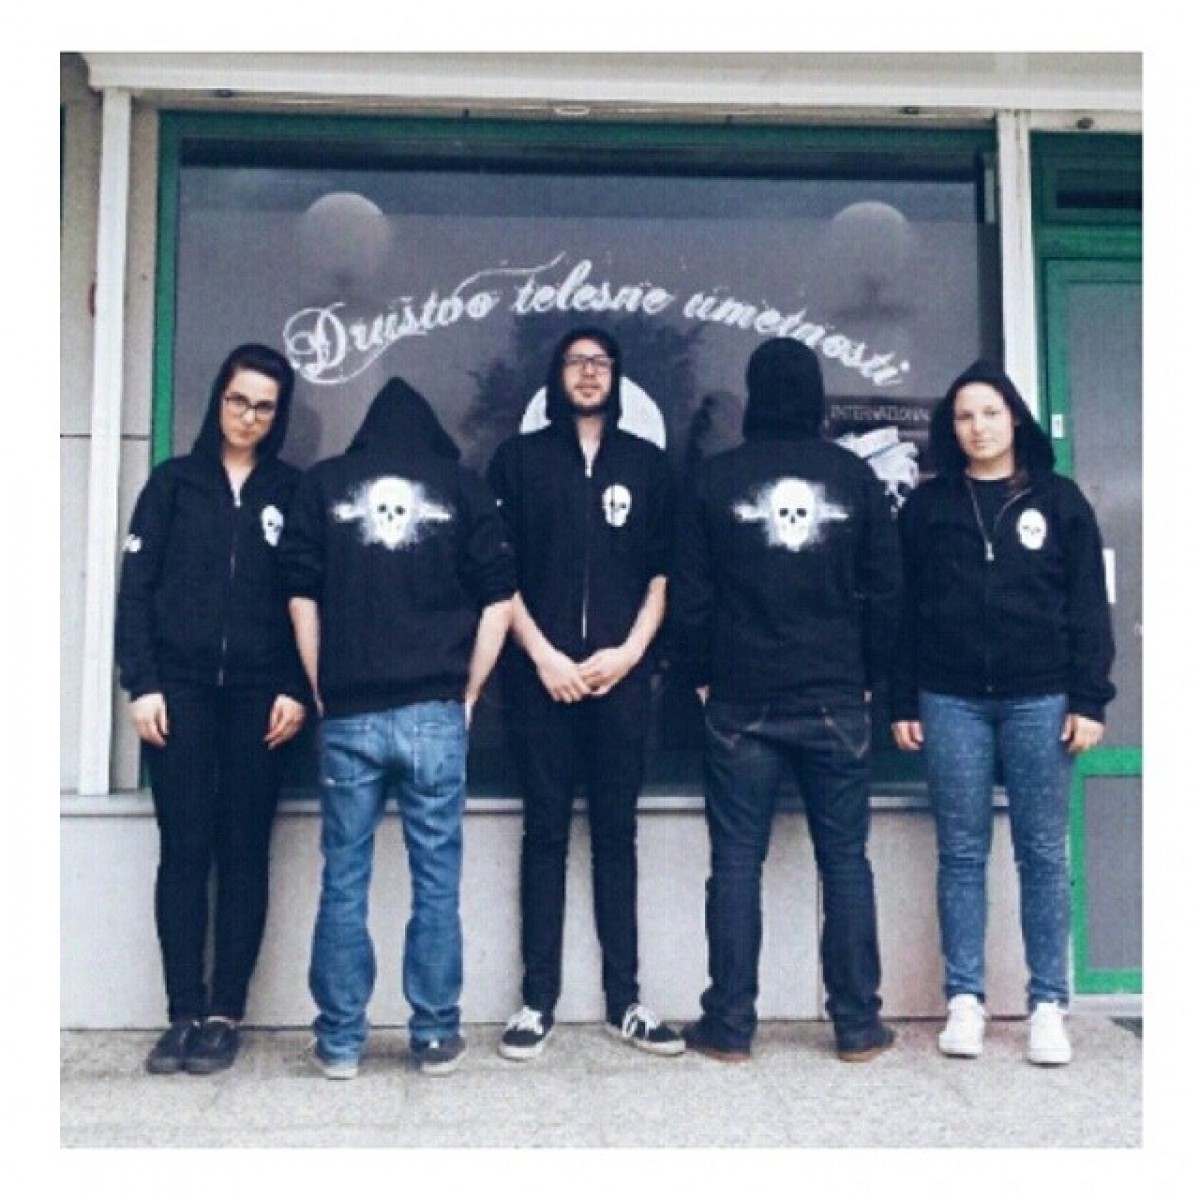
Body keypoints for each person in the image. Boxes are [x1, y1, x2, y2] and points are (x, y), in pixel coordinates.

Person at [669, 336, 901, 1064]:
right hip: (836, 693)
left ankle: (730, 1025)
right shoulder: (854, 477)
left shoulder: (714, 479)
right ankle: (857, 1025)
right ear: (817, 397)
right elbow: (888, 590)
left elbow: (690, 596)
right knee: (847, 861)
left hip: (741, 696)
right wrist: (871, 674)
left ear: (756, 395)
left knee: (737, 862)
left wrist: (701, 674)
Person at [280, 376, 515, 1079]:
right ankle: (435, 1035)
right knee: (436, 880)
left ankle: (340, 1043)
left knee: (343, 879)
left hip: (349, 712)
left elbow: (301, 597)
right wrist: (468, 692)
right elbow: (500, 600)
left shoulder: (323, 484)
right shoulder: (463, 486)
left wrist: (323, 688)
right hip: (434, 711)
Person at [890, 360, 1115, 1067]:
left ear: (1014, 417)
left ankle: (1048, 1004)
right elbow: (901, 610)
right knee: (961, 853)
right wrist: (902, 697)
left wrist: (1089, 698)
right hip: (949, 697)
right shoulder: (927, 508)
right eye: (963, 416)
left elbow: (1088, 605)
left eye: (989, 412)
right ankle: (966, 1000)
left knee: (1042, 853)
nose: (977, 427)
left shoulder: (1059, 500)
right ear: (950, 428)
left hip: (1041, 698)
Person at [486, 327, 684, 1060]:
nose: (589, 374)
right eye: (576, 363)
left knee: (616, 835)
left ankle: (625, 1000)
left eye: (601, 364)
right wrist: (543, 657)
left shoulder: (648, 465)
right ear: (555, 376)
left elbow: (664, 573)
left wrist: (629, 654)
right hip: (540, 680)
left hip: (619, 680)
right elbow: (498, 574)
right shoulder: (518, 462)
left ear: (618, 377)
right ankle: (536, 1002)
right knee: (543, 833)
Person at [115, 343, 309, 1075]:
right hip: (180, 694)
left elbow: (308, 598)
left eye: (264, 407)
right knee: (184, 849)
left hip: (262, 699)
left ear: (278, 415)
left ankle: (225, 1012)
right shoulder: (172, 485)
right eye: (238, 401)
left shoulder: (292, 492)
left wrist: (296, 686)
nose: (248, 416)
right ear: (218, 400)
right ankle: (182, 1013)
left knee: (245, 850)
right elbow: (136, 592)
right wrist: (143, 684)